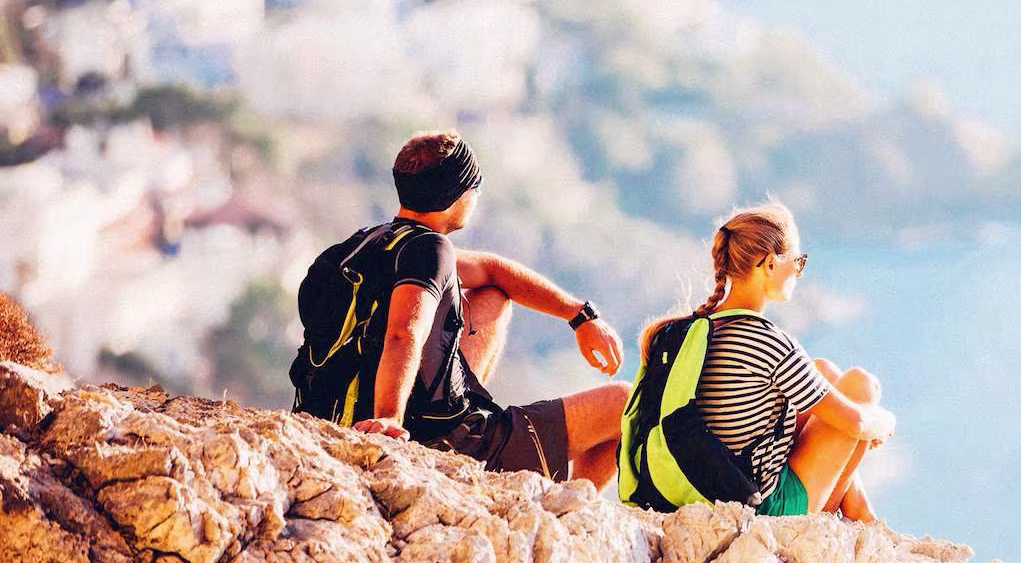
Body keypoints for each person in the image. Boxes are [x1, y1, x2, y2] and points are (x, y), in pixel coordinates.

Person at [294, 131, 631, 487]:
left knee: (492, 298)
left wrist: (579, 315)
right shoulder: (429, 251)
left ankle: (462, 409)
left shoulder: (362, 245)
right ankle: (574, 507)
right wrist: (388, 420)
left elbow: (492, 271)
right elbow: (404, 332)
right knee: (625, 403)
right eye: (476, 186)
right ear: (457, 194)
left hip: (335, 415)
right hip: (436, 439)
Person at [638, 201, 894, 521]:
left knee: (824, 373)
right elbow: (854, 422)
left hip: (700, 486)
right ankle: (849, 514)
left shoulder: (689, 331)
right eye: (798, 263)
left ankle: (858, 508)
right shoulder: (768, 342)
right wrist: (883, 422)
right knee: (860, 386)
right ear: (771, 265)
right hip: (758, 506)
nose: (800, 272)